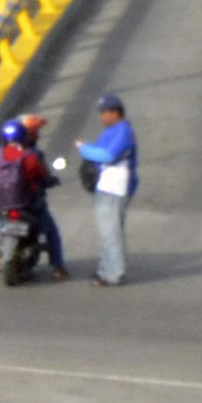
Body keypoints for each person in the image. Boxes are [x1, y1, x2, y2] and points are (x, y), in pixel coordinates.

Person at [0, 114, 67, 278]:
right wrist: (51, 181)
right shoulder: (32, 156)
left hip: (1, 203)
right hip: (30, 204)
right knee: (50, 231)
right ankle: (58, 267)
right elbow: (43, 176)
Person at [75, 92, 139, 285]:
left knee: (111, 232)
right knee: (106, 232)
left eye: (104, 112)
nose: (102, 116)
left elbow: (108, 155)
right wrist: (89, 148)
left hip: (115, 187)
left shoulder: (123, 132)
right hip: (105, 185)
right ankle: (105, 270)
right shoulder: (112, 131)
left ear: (115, 113)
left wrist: (85, 149)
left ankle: (114, 273)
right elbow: (101, 150)